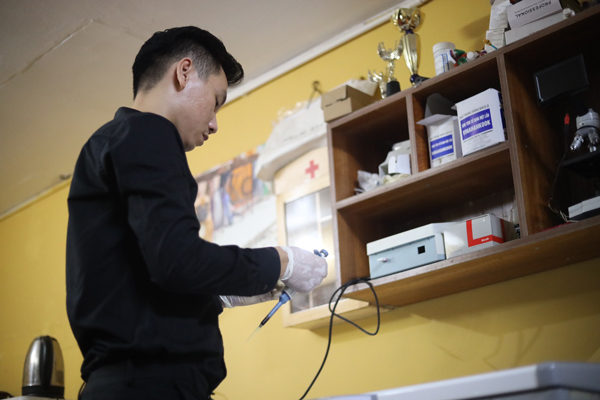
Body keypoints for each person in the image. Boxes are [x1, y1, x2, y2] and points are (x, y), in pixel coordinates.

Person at [66, 26, 328, 400]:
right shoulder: (149, 132)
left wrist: (215, 295)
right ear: (184, 72)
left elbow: (146, 275)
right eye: (216, 102)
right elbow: (177, 260)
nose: (214, 124)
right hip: (151, 389)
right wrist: (281, 261)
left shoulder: (110, 142)